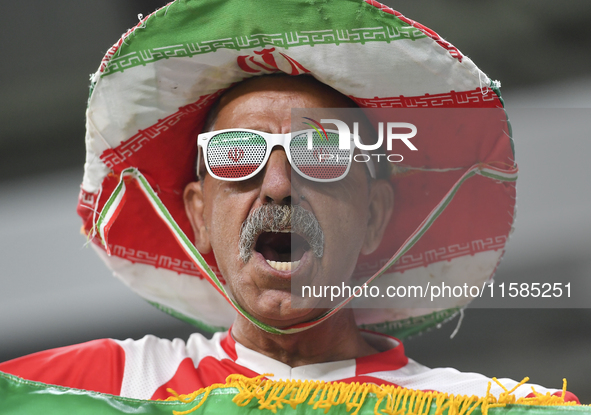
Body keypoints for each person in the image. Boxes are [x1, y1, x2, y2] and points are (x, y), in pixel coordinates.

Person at [0, 0, 582, 411]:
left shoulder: (489, 410)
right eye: (236, 153)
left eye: (319, 153)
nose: (276, 185)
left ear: (375, 214)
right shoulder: (93, 389)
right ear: (198, 216)